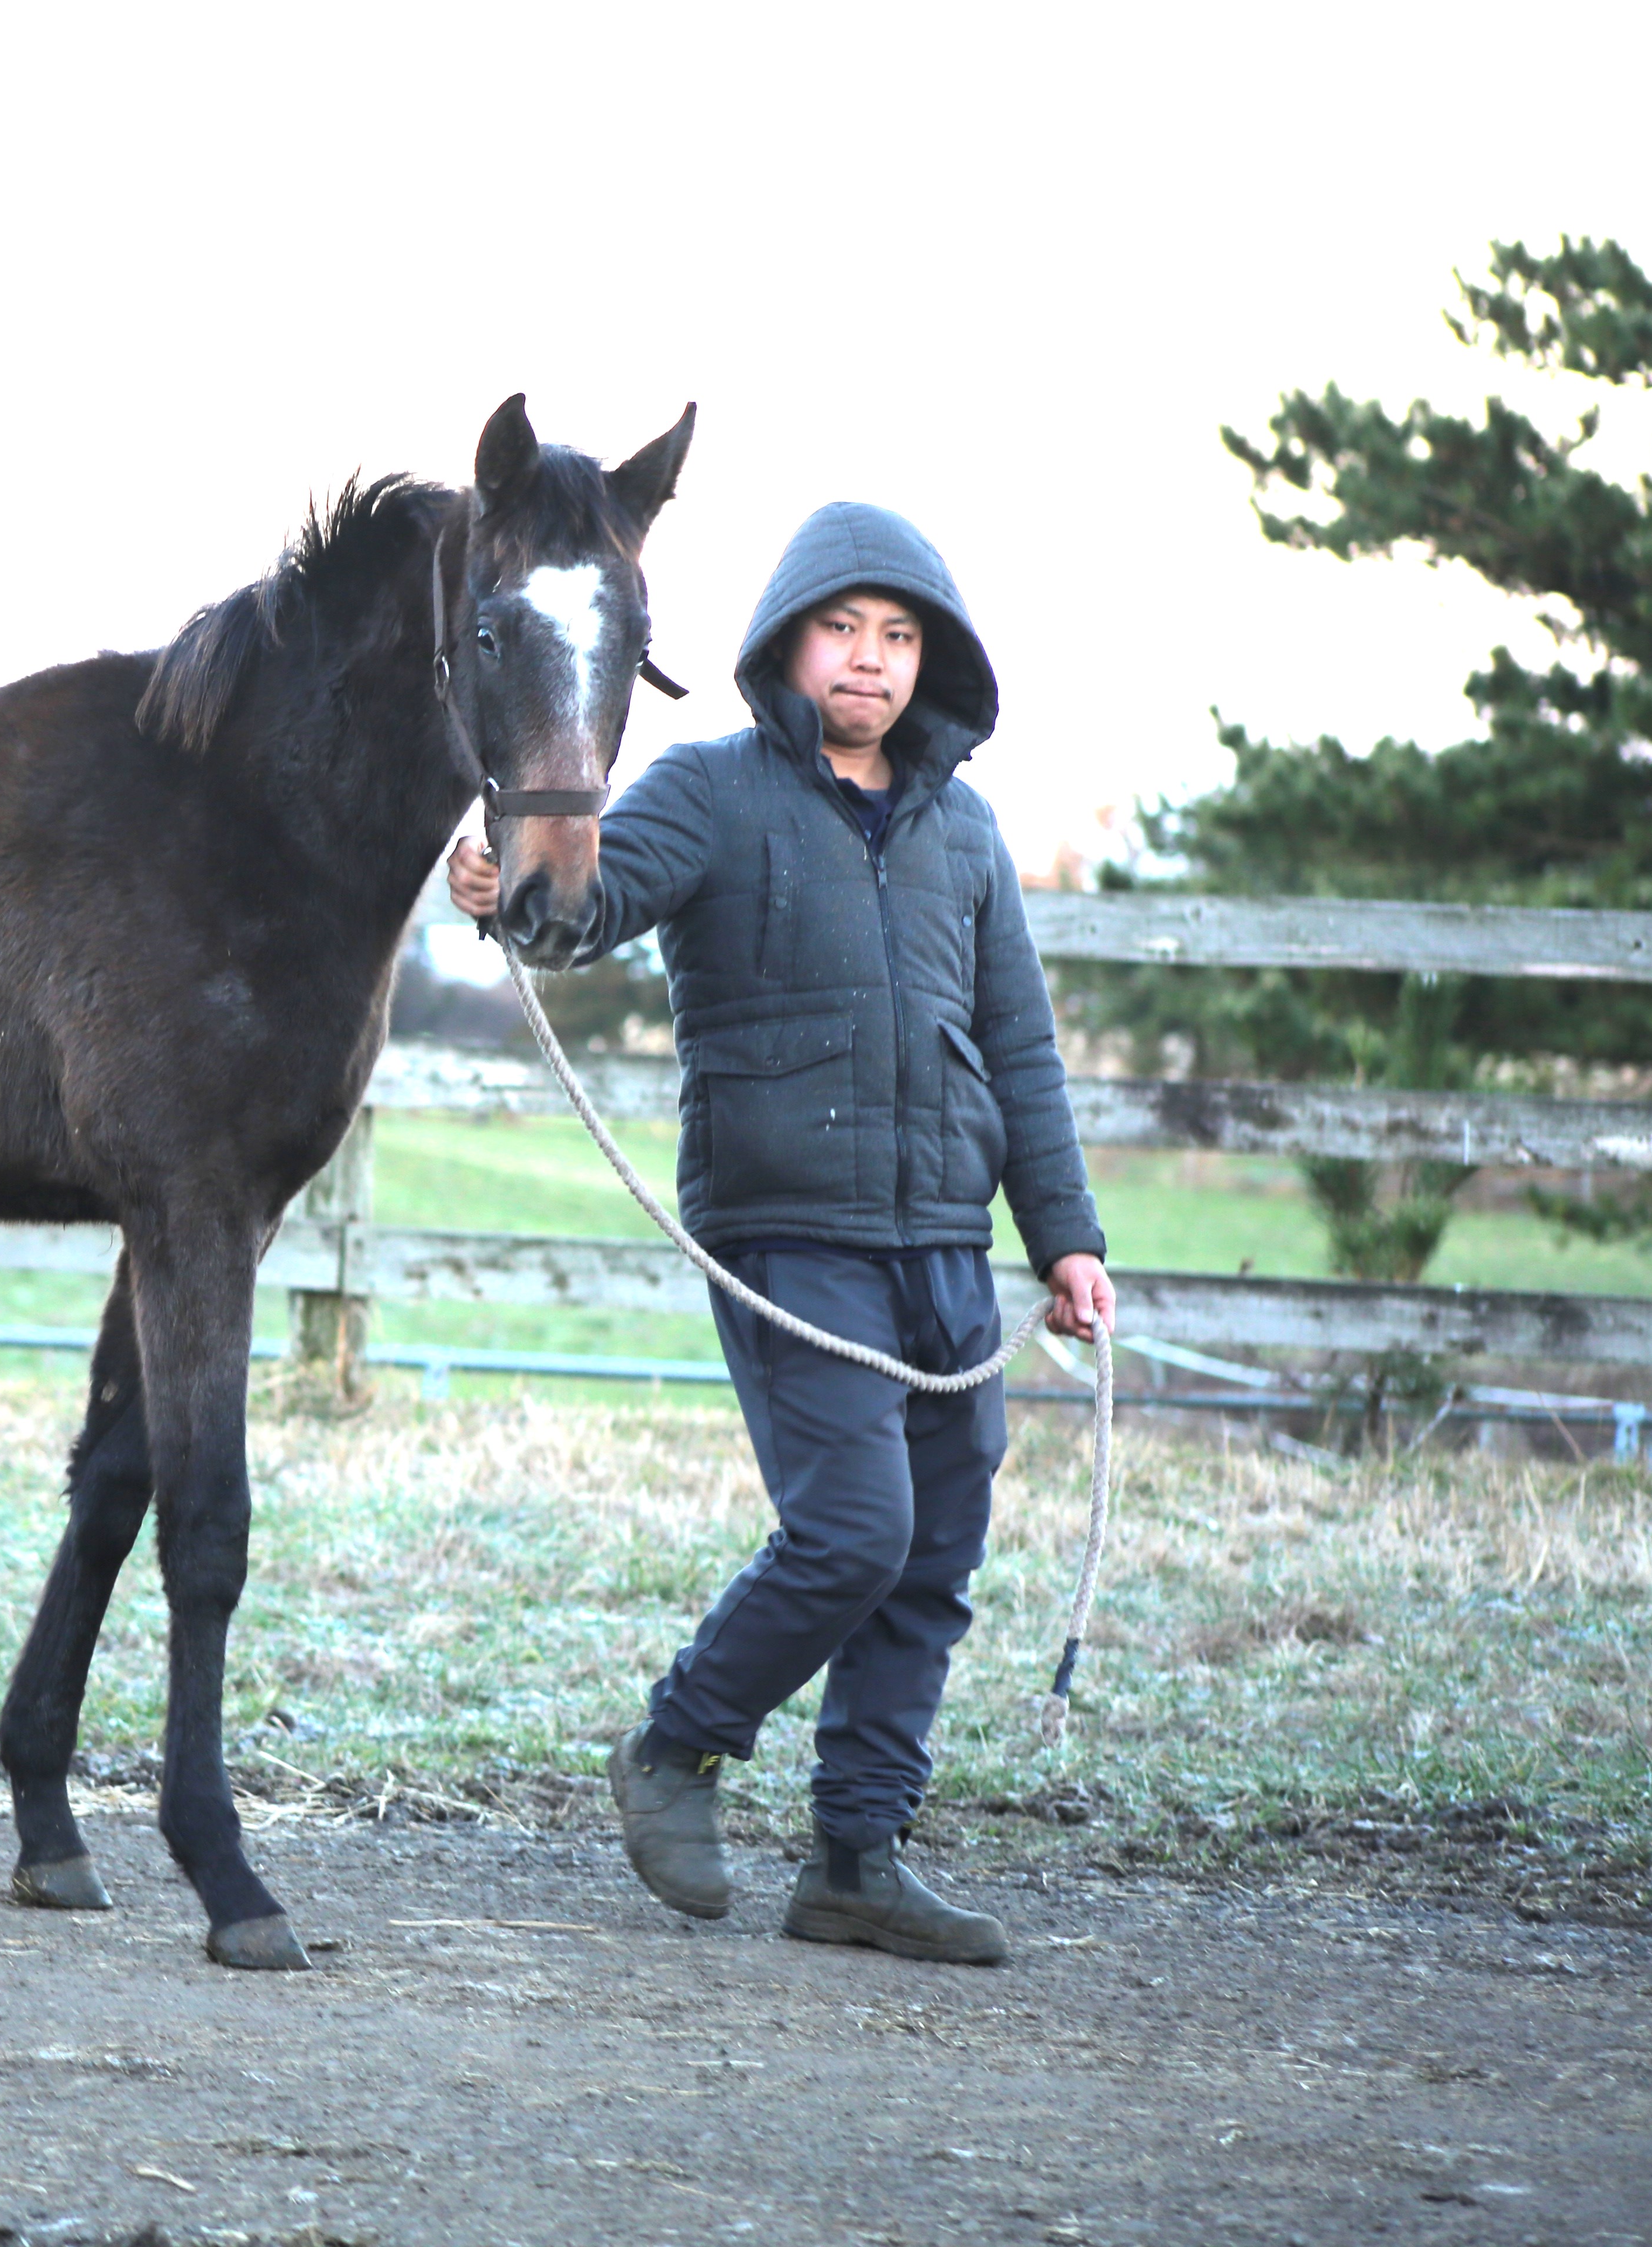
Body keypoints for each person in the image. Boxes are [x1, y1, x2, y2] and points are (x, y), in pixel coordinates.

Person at [446, 502, 1113, 1967]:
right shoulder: (716, 792)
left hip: (945, 1240)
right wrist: (514, 898)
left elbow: (1018, 1040)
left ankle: (856, 1860)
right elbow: (592, 900)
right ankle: (677, 1747)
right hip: (786, 1234)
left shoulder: (969, 831)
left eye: (898, 639)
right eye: (843, 633)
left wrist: (1063, 1237)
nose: (869, 665)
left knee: (936, 1551)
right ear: (787, 643)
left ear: (927, 662)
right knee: (855, 1530)